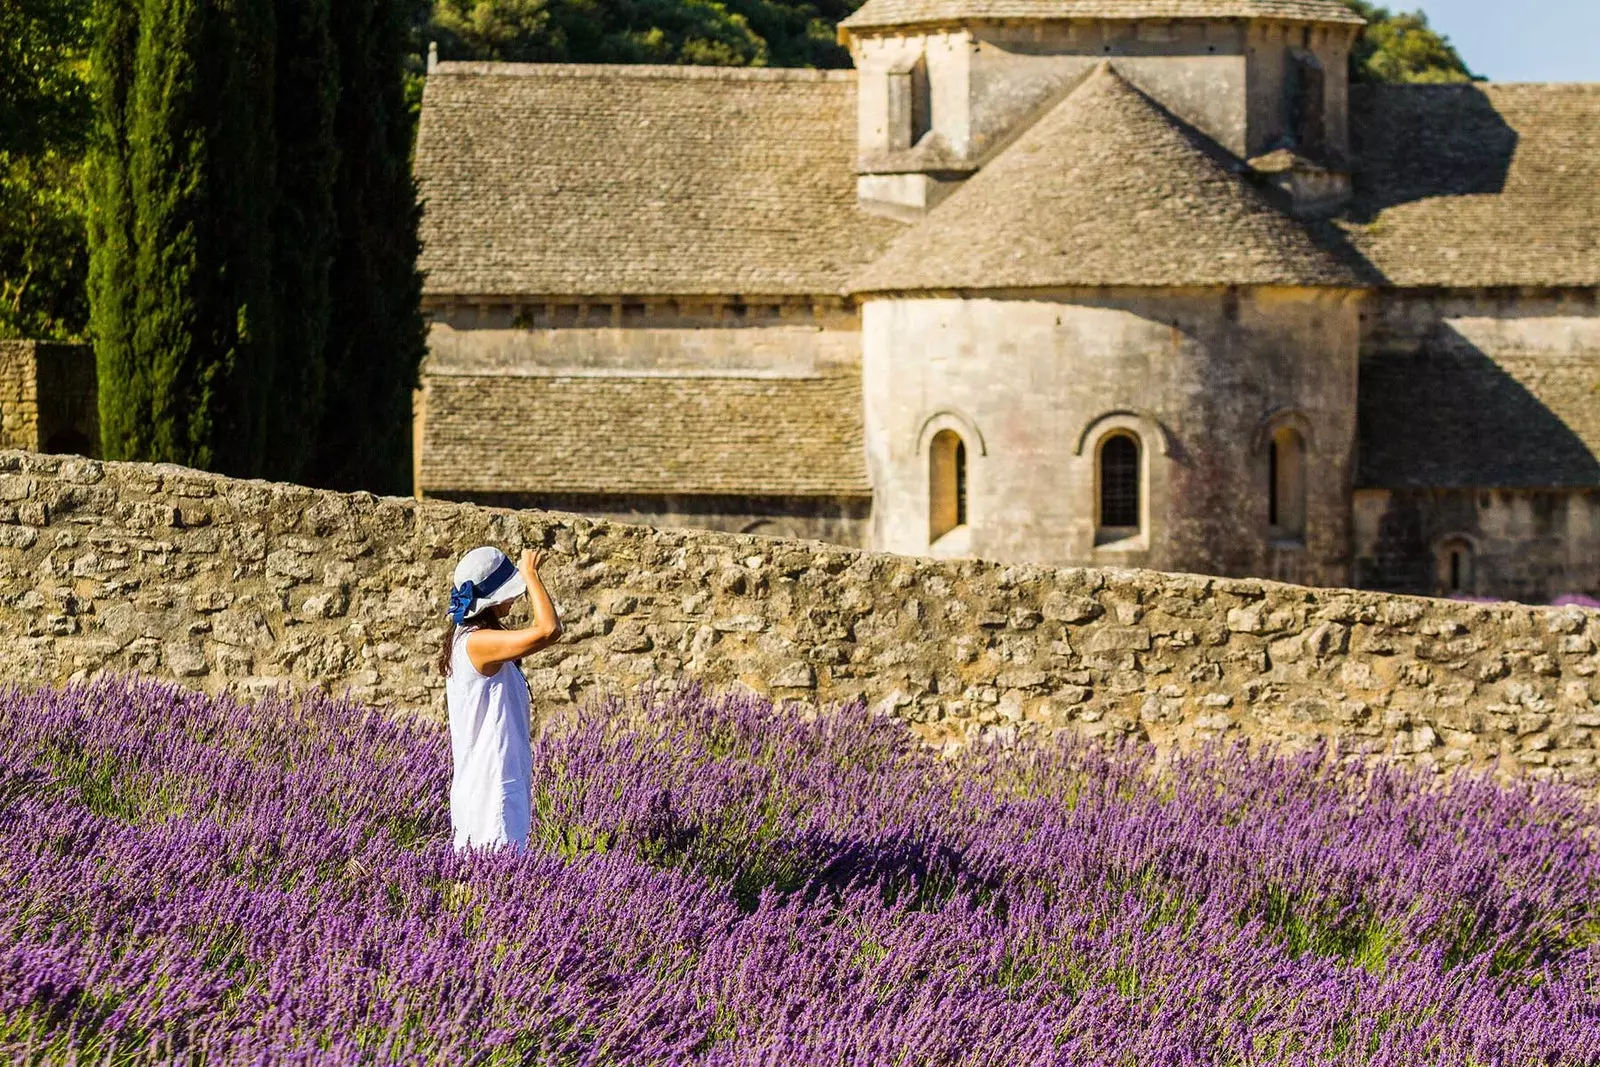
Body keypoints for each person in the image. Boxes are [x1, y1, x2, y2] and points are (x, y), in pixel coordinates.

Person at [438, 545, 562, 850]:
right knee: (495, 880)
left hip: (494, 780)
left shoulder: (469, 639)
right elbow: (548, 630)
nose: (514, 596)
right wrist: (531, 575)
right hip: (490, 787)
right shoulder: (477, 644)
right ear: (491, 602)